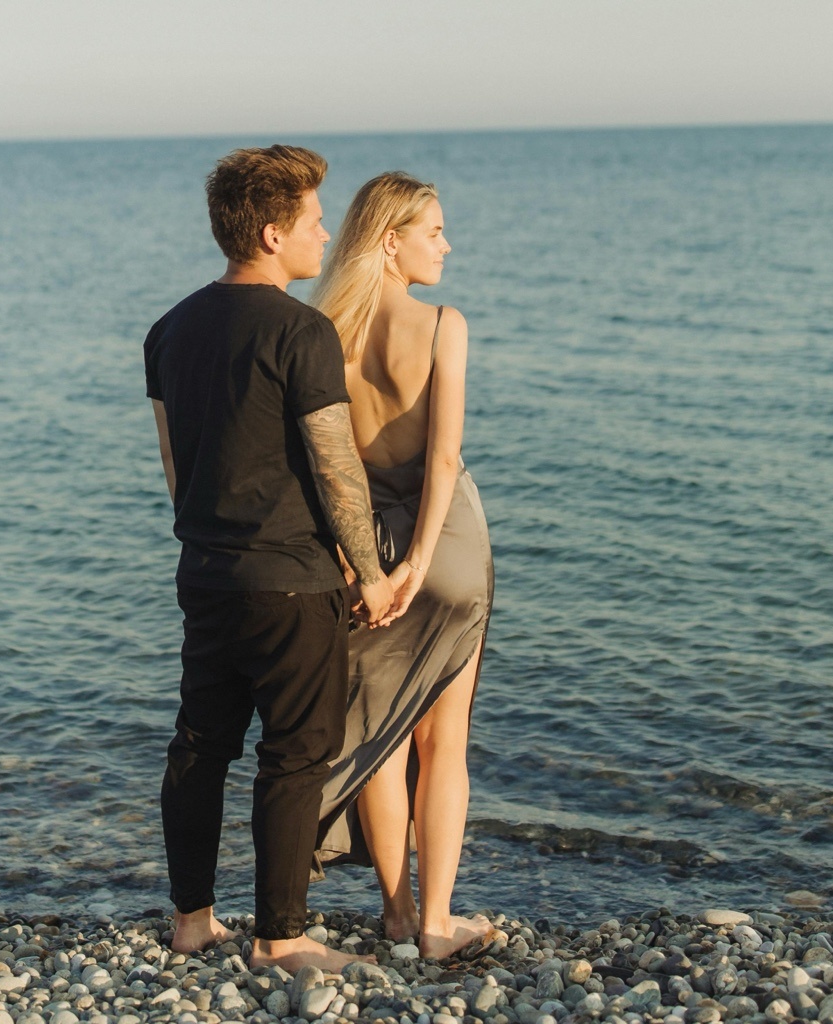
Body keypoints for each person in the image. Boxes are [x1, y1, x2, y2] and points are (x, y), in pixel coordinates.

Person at [144, 145, 397, 972]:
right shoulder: (301, 330)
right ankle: (281, 938)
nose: (326, 234)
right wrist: (373, 570)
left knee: (199, 744)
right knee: (294, 755)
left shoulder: (169, 329)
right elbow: (337, 470)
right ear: (270, 229)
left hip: (206, 573)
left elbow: (175, 468)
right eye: (315, 220)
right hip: (291, 579)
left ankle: (192, 922)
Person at [309, 172, 499, 960]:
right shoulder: (442, 325)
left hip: (366, 552)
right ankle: (435, 926)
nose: (446, 245)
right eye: (434, 232)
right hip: (445, 545)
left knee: (382, 735)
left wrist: (370, 566)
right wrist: (424, 560)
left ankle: (393, 912)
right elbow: (444, 457)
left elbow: (328, 466)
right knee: (443, 739)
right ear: (392, 239)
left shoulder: (321, 333)